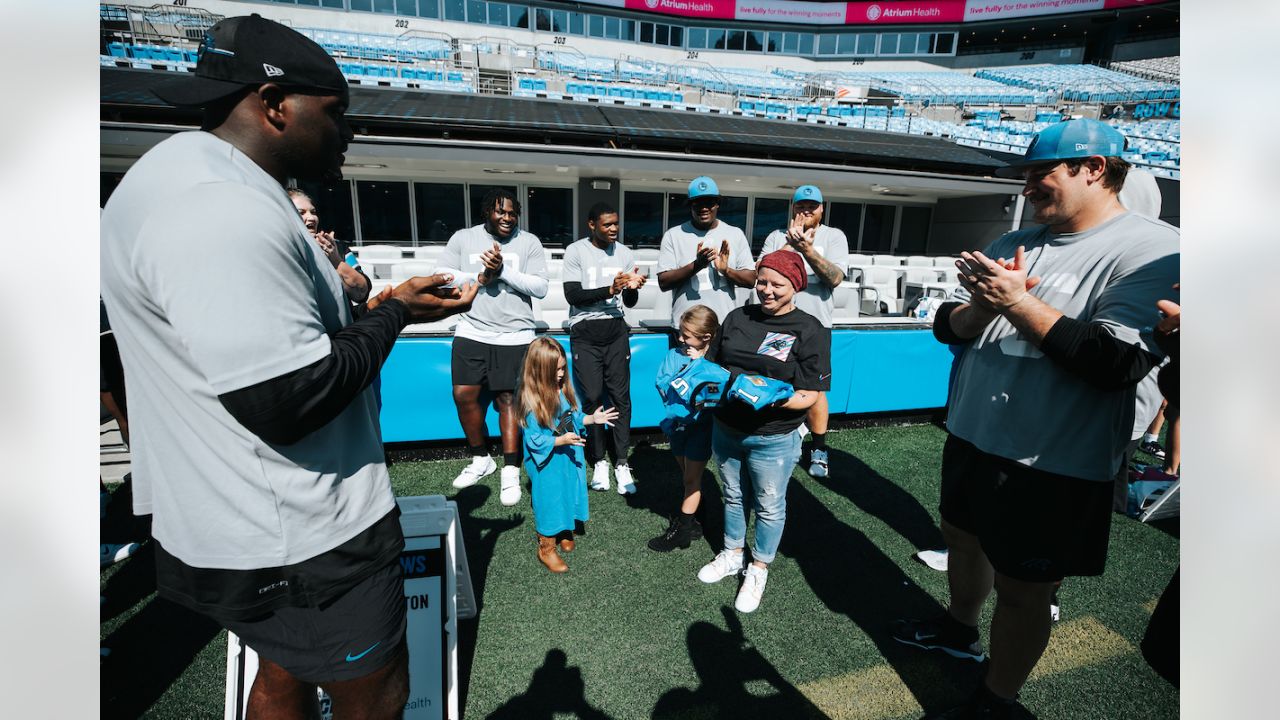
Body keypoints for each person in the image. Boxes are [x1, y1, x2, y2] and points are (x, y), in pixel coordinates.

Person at [100, 16, 478, 719]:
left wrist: (384, 303)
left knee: (283, 671)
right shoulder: (218, 207)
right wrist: (393, 315)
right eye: (336, 114)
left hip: (245, 516)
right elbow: (287, 397)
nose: (348, 132)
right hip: (302, 531)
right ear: (273, 105)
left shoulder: (179, 174)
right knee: (376, 692)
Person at [892, 118, 1179, 719]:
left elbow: (1115, 362)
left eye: (1040, 173)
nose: (1027, 187)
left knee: (1026, 592)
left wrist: (1017, 301)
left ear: (1094, 169)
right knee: (962, 544)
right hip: (973, 437)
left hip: (1051, 463)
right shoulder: (1014, 241)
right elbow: (951, 328)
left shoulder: (1151, 249)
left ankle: (999, 698)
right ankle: (960, 626)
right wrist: (978, 309)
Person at [697, 251, 829, 613]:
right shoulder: (737, 316)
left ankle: (758, 567)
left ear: (796, 286)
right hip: (727, 429)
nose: (767, 291)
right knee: (734, 496)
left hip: (773, 436)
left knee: (769, 506)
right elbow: (713, 367)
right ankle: (732, 553)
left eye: (777, 285)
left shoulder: (810, 329)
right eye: (762, 282)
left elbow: (811, 394)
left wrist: (772, 399)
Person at [438, 188, 549, 506]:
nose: (507, 218)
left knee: (508, 402)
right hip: (471, 330)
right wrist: (480, 276)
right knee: (464, 395)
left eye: (513, 213)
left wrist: (504, 272)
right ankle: (481, 459)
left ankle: (511, 471)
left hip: (515, 335)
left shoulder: (529, 242)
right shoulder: (463, 238)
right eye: (501, 211)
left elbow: (540, 287)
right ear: (488, 211)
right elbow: (440, 276)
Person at [758, 185, 848, 479]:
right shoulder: (775, 237)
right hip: (778, 325)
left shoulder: (833, 237)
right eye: (801, 206)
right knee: (773, 378)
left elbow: (834, 278)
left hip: (816, 326)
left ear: (822, 209)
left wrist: (806, 249)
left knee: (816, 389)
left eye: (812, 206)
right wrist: (788, 245)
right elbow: (763, 273)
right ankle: (775, 439)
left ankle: (819, 448)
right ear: (792, 208)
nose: (806, 211)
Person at [562, 202, 645, 494]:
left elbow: (630, 302)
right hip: (585, 330)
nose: (613, 229)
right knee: (593, 396)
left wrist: (632, 288)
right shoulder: (576, 251)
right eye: (607, 224)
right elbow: (572, 295)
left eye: (616, 224)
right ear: (592, 224)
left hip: (615, 329)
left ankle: (621, 461)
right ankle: (599, 460)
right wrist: (609, 289)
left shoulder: (623, 252)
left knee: (620, 396)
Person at [518, 337, 618, 573]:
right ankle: (546, 547)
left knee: (569, 490)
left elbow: (573, 417)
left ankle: (565, 529)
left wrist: (592, 419)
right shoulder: (530, 400)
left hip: (568, 455)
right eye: (556, 370)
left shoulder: (561, 389)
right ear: (539, 370)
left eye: (563, 367)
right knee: (549, 499)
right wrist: (559, 440)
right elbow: (533, 439)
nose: (561, 374)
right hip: (548, 463)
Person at [648, 305, 719, 552]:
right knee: (686, 473)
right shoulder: (674, 354)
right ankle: (699, 516)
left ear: (706, 338)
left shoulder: (715, 360)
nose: (680, 339)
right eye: (681, 333)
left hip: (702, 428)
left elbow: (717, 392)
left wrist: (698, 368)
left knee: (691, 478)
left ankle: (683, 531)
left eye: (686, 335)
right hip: (676, 425)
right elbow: (662, 384)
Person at [656, 176, 756, 329]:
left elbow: (750, 281)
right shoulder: (673, 235)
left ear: (717, 205)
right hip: (686, 326)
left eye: (709, 202)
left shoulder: (735, 234)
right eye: (697, 203)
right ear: (690, 206)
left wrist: (726, 270)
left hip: (723, 324)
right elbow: (663, 282)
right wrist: (697, 265)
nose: (704, 208)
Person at [288, 188, 371, 305]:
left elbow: (362, 293)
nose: (311, 218)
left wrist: (335, 260)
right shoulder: (282, 249)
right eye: (301, 213)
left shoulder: (337, 247)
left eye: (313, 212)